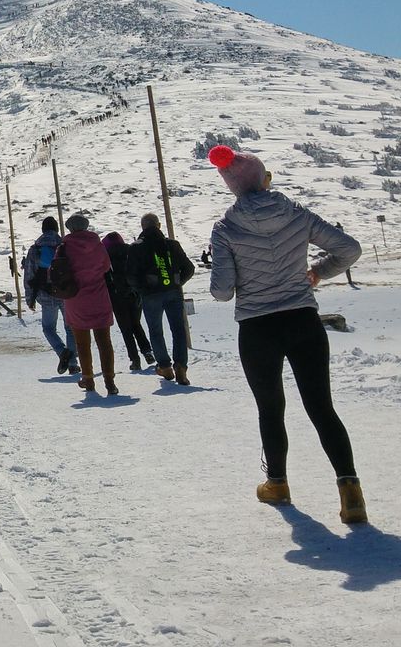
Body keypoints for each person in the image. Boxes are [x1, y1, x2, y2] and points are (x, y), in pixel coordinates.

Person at [206, 145, 367, 524]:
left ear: (232, 187)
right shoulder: (296, 214)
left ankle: (277, 484)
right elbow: (350, 249)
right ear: (264, 180)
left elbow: (222, 291)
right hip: (302, 320)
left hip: (257, 328)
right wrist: (318, 271)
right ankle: (351, 493)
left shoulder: (225, 229)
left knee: (270, 408)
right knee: (321, 407)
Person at [55, 215, 119, 395]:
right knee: (104, 342)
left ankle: (88, 379)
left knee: (82, 344)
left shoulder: (64, 247)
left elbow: (58, 271)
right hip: (99, 297)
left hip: (76, 300)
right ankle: (109, 381)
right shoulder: (97, 245)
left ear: (70, 228)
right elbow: (106, 266)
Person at [131, 213, 195, 384]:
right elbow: (189, 268)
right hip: (173, 292)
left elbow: (130, 276)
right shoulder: (172, 244)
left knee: (155, 331)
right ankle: (181, 366)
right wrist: (177, 282)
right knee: (178, 329)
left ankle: (165, 366)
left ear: (143, 227)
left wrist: (142, 290)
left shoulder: (136, 247)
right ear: (159, 225)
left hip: (150, 295)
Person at [22, 217, 79, 374]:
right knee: (70, 328)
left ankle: (62, 352)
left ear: (43, 230)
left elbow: (28, 275)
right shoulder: (65, 246)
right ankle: (73, 363)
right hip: (65, 293)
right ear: (57, 229)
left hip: (45, 295)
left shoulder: (35, 249)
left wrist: (30, 298)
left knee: (48, 328)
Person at [103, 231, 155, 372]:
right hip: (134, 293)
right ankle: (147, 351)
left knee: (126, 329)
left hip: (116, 296)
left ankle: (135, 359)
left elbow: (104, 278)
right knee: (136, 324)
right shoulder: (130, 251)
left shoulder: (105, 256)